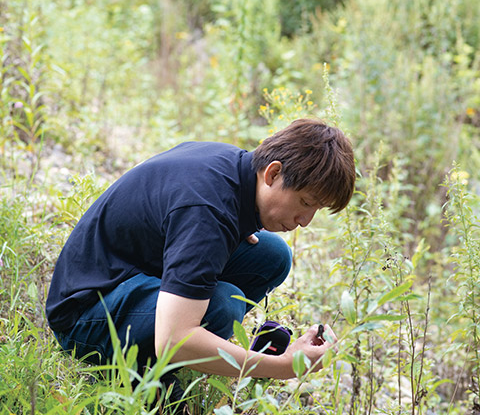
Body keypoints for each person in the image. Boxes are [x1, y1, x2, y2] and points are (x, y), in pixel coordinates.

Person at [45, 118, 355, 407]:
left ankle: (182, 345)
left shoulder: (234, 168)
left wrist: (240, 227)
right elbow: (175, 339)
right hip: (83, 315)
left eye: (317, 209)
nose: (305, 221)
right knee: (221, 306)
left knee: (271, 255)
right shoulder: (207, 213)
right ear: (273, 173)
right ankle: (141, 377)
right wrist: (282, 366)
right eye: (305, 202)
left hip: (128, 271)